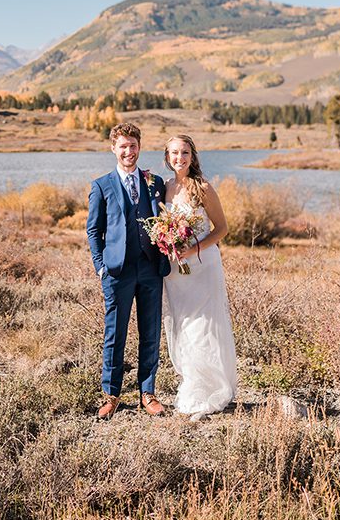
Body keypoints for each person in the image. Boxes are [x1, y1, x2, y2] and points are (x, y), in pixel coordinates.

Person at [86, 122, 171, 420]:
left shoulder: (155, 182)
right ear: (113, 148)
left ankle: (148, 393)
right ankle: (111, 395)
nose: (128, 151)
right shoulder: (101, 185)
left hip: (150, 269)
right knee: (115, 334)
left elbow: (165, 220)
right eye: (123, 146)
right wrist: (100, 268)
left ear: (139, 147)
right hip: (117, 272)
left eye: (133, 146)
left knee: (150, 332)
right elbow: (93, 231)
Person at [161, 134, 238, 420]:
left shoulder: (203, 188)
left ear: (192, 156)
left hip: (203, 266)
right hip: (176, 272)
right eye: (174, 153)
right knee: (182, 324)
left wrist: (193, 249)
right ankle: (192, 381)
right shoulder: (164, 188)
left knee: (203, 325)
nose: (179, 158)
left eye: (184, 153)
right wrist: (167, 244)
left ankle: (210, 387)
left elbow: (222, 228)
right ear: (167, 157)